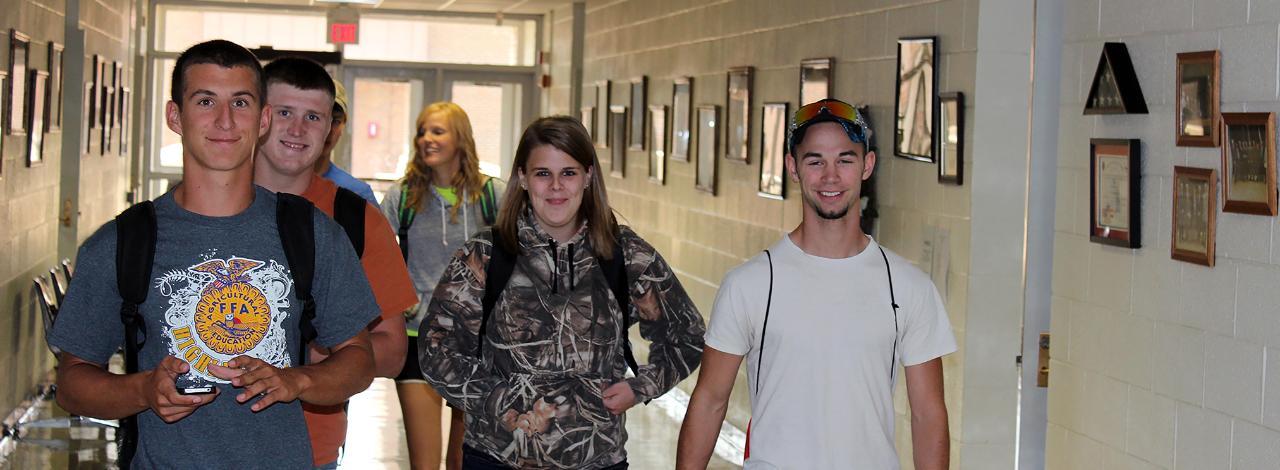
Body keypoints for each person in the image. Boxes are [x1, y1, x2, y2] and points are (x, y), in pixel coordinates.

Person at [47, 40, 379, 469]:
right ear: (175, 116)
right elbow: (71, 383)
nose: (224, 120)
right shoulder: (124, 241)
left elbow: (359, 359)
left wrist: (299, 379)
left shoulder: (312, 235)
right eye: (205, 101)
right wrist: (143, 390)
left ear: (261, 119)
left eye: (240, 102)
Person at [676, 99, 956, 470]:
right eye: (815, 161)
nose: (830, 177)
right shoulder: (751, 284)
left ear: (867, 165)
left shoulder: (908, 287)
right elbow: (710, 400)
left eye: (845, 159)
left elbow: (928, 415)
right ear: (793, 167)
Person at [419, 116, 706, 469]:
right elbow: (436, 346)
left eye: (568, 173)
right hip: (498, 458)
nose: (556, 187)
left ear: (588, 176)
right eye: (542, 174)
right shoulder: (486, 254)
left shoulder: (625, 255)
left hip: (596, 458)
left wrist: (640, 387)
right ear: (523, 178)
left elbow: (687, 334)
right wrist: (497, 399)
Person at [253, 56, 417, 469]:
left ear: (331, 129)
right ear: (258, 116)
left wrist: (299, 361)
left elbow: (392, 351)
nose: (297, 129)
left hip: (308, 448)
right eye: (284, 112)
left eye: (313, 116)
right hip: (189, 447)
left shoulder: (354, 218)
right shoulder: (206, 207)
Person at [379, 102, 503, 470]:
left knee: (464, 461)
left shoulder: (494, 195)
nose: (426, 140)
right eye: (422, 132)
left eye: (437, 131)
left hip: (477, 341)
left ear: (460, 138)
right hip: (419, 338)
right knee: (424, 462)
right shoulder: (402, 197)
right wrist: (396, 300)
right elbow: (376, 260)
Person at [313, 77, 377, 203]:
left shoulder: (356, 193)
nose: (328, 129)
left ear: (344, 124)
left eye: (335, 121)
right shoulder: (271, 184)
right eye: (316, 118)